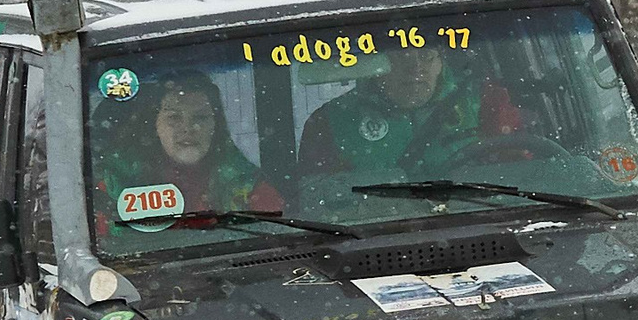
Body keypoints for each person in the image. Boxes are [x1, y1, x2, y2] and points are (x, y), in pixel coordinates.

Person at [93, 68, 274, 232]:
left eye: (200, 117)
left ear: (215, 126)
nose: (188, 128)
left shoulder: (249, 187)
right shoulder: (112, 186)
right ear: (155, 126)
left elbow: (275, 238)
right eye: (174, 117)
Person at [298, 37, 505, 178]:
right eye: (400, 54)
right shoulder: (330, 123)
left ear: (440, 63)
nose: (415, 68)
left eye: (425, 55)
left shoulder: (485, 100)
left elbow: (524, 170)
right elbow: (319, 202)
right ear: (377, 64)